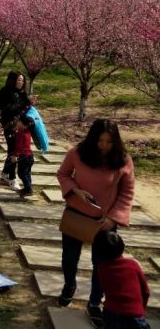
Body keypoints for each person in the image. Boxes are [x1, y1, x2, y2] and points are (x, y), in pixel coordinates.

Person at [56, 119, 135, 329]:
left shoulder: (123, 160)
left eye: (109, 141)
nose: (104, 145)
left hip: (105, 222)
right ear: (93, 139)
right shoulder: (77, 153)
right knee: (69, 257)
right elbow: (63, 174)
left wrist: (113, 218)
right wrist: (75, 190)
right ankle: (69, 285)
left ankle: (94, 302)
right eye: (100, 141)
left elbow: (127, 193)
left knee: (102, 265)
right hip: (76, 215)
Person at [93, 231, 151, 329]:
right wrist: (140, 309)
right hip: (135, 315)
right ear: (121, 246)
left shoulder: (101, 268)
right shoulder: (133, 265)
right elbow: (146, 292)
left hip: (111, 313)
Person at [0, 71, 31, 190]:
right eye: (18, 80)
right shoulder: (4, 92)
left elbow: (25, 108)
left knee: (14, 149)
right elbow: (5, 109)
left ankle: (5, 174)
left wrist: (30, 103)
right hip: (9, 125)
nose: (21, 83)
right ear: (12, 80)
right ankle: (12, 178)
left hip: (20, 126)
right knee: (13, 151)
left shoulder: (22, 93)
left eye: (22, 80)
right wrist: (23, 104)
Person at [9, 115, 35, 197]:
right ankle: (28, 188)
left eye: (19, 122)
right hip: (30, 156)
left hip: (24, 157)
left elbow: (19, 146)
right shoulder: (27, 132)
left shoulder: (21, 134)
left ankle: (28, 189)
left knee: (21, 173)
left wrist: (15, 156)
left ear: (24, 125)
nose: (17, 122)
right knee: (27, 173)